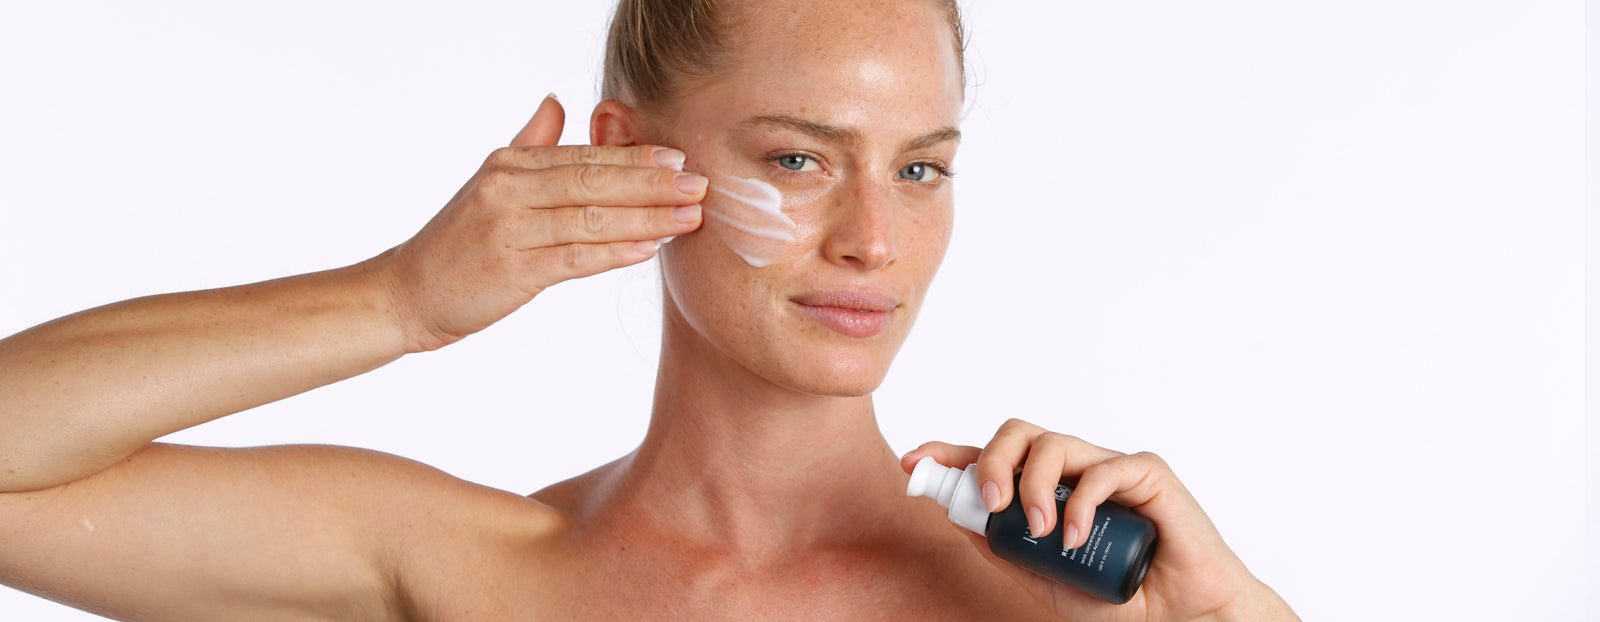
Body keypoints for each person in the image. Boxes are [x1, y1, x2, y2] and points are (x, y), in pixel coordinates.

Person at [0, 0, 1299, 619]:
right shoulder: (471, 571)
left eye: (920, 170)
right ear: (629, 160)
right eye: (799, 157)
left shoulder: (1073, 604)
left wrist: (1229, 620)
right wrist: (400, 300)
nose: (873, 240)